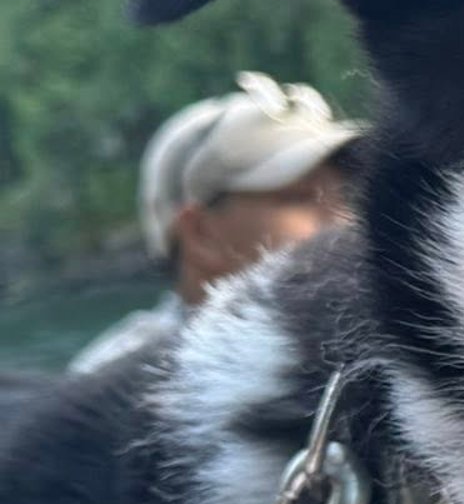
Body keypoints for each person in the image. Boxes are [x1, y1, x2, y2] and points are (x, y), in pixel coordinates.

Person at [70, 72, 360, 373]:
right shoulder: (118, 382)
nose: (349, 219)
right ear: (201, 233)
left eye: (350, 195)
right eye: (299, 197)